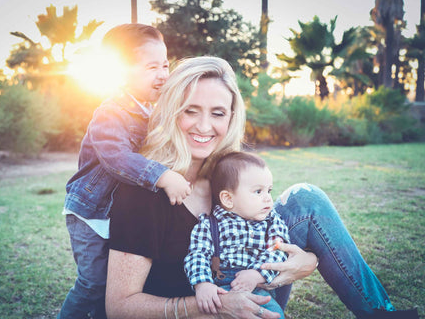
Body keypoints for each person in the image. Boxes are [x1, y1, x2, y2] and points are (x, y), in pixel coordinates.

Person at [106, 55, 418, 319]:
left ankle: (381, 312)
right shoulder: (143, 191)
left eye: (217, 113)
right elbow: (119, 306)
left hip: (253, 292)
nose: (204, 126)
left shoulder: (225, 172)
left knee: (305, 199)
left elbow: (270, 230)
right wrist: (214, 306)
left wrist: (305, 262)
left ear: (231, 117)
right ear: (172, 111)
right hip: (207, 309)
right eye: (191, 110)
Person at [57, 23, 192, 319]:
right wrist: (161, 175)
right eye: (152, 67)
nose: (163, 74)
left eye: (165, 64)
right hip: (91, 214)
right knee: (92, 283)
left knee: (114, 287)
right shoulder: (111, 112)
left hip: (117, 213)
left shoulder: (151, 111)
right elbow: (116, 157)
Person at [184, 151, 289, 318]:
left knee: (272, 315)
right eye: (258, 192)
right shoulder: (210, 224)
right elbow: (198, 254)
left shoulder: (272, 222)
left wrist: (257, 274)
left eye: (269, 190)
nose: (268, 199)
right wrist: (202, 283)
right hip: (220, 290)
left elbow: (278, 250)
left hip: (257, 288)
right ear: (227, 198)